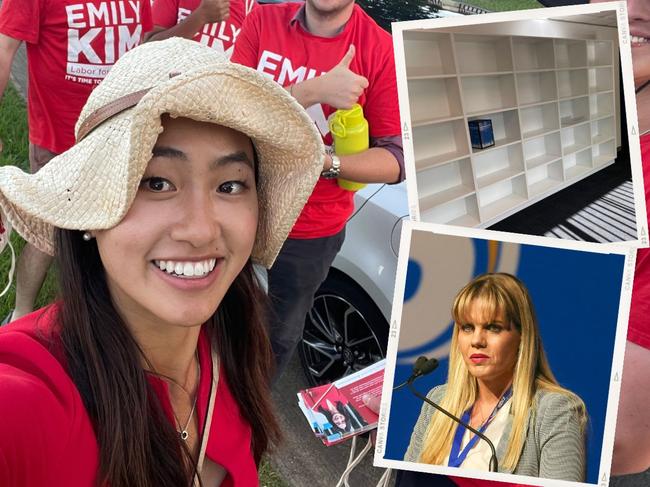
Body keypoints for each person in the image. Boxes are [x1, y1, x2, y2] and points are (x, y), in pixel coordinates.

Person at [0, 37, 324, 486]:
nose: (201, 230)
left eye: (230, 185)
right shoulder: (25, 403)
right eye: (155, 183)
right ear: (89, 212)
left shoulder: (231, 346)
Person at [231, 0, 404, 379]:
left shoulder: (379, 49)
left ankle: (249, 421)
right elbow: (229, 109)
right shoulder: (263, 20)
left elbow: (395, 159)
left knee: (274, 337)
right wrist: (312, 90)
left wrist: (325, 163)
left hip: (309, 232)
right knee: (210, 318)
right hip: (234, 205)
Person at [0, 0, 153, 323]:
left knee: (109, 226)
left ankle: (88, 315)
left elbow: (142, 45)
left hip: (117, 133)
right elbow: (4, 50)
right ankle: (22, 314)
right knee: (49, 231)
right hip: (58, 138)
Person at [404, 273, 587, 481]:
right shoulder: (437, 400)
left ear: (522, 336)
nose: (477, 340)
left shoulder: (555, 411)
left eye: (493, 328)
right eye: (467, 327)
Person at [147, 0, 256, 58]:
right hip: (170, 89)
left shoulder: (251, 9)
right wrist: (200, 16)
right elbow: (147, 47)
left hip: (217, 94)